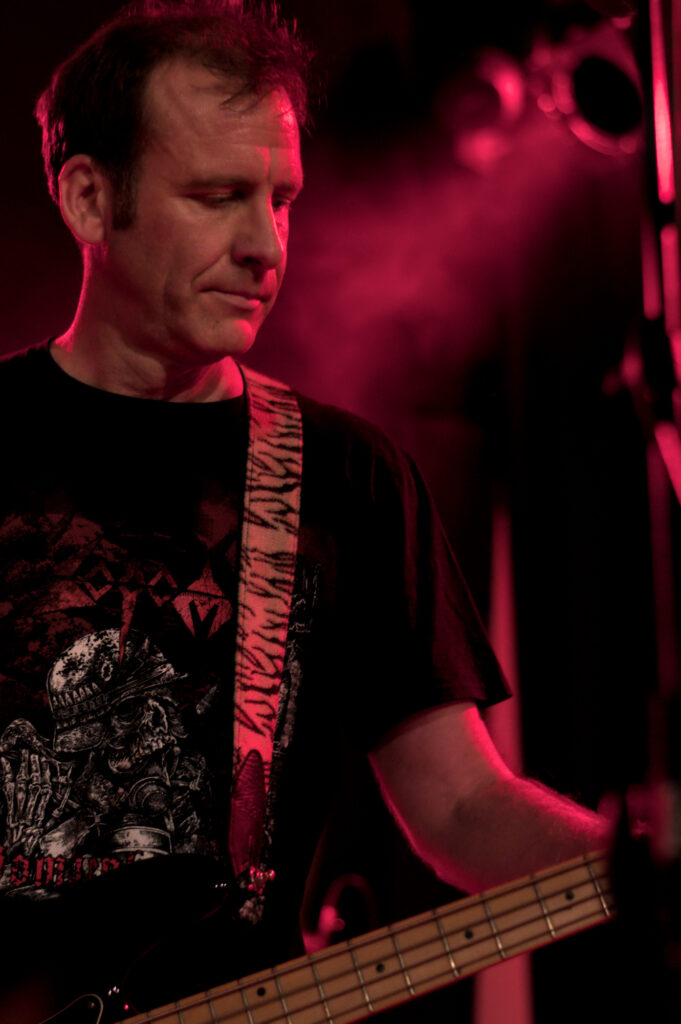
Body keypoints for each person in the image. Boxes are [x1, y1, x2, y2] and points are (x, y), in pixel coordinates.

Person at [0, 0, 611, 1017]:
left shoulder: (343, 477)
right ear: (89, 199)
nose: (264, 244)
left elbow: (462, 806)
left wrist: (636, 865)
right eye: (217, 196)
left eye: (279, 199)